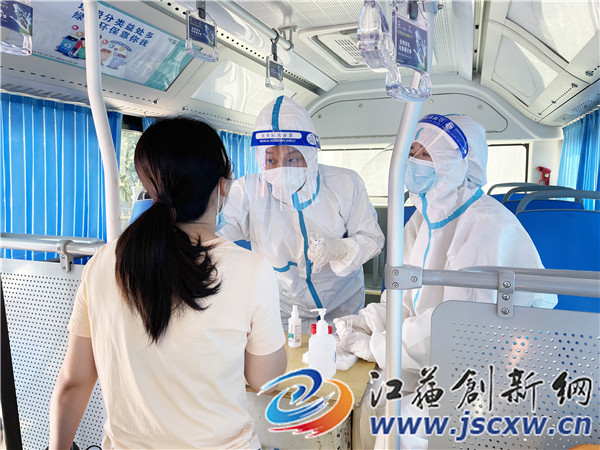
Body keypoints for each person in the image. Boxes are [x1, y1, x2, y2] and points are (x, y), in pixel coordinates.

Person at [49, 117, 287, 449]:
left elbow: (74, 382)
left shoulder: (103, 262)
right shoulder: (251, 270)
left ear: (148, 184)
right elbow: (266, 380)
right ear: (223, 188)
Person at [335, 113, 558, 391]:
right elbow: (404, 299)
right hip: (432, 356)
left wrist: (378, 347)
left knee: (392, 413)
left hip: (484, 371)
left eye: (426, 154)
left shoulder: (485, 225)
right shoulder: (422, 220)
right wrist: (368, 321)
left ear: (458, 163)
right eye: (411, 152)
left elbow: (458, 322)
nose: (413, 161)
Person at [217, 96, 385, 331]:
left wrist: (341, 249)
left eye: (292, 158)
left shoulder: (346, 184)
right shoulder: (247, 191)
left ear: (309, 155)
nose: (281, 168)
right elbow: (217, 232)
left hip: (341, 308)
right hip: (282, 310)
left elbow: (373, 240)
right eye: (270, 159)